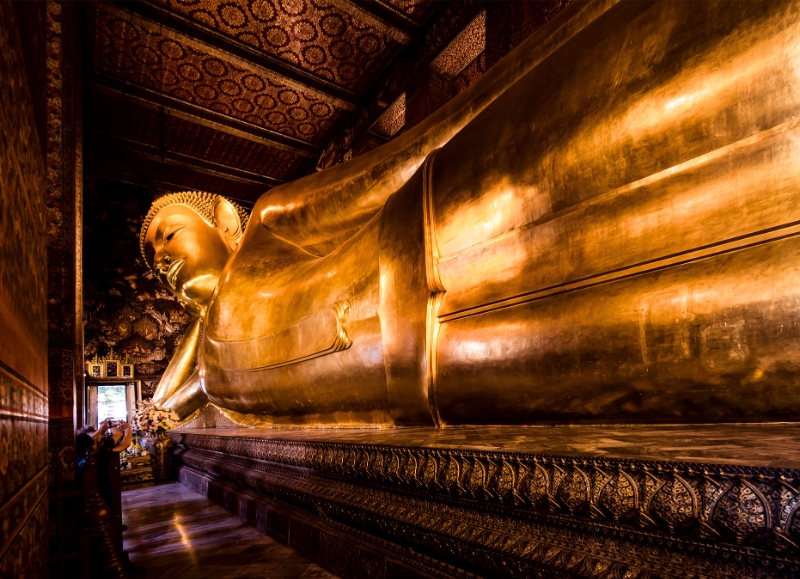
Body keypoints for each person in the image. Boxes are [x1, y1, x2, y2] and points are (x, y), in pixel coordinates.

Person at [142, 0, 800, 428]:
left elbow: (402, 159)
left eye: (168, 235)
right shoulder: (214, 365)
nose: (161, 259)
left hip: (440, 237)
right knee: (705, 321)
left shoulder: (267, 223)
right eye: (151, 259)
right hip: (441, 368)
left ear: (222, 220)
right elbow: (170, 397)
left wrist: (541, 62)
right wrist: (163, 394)